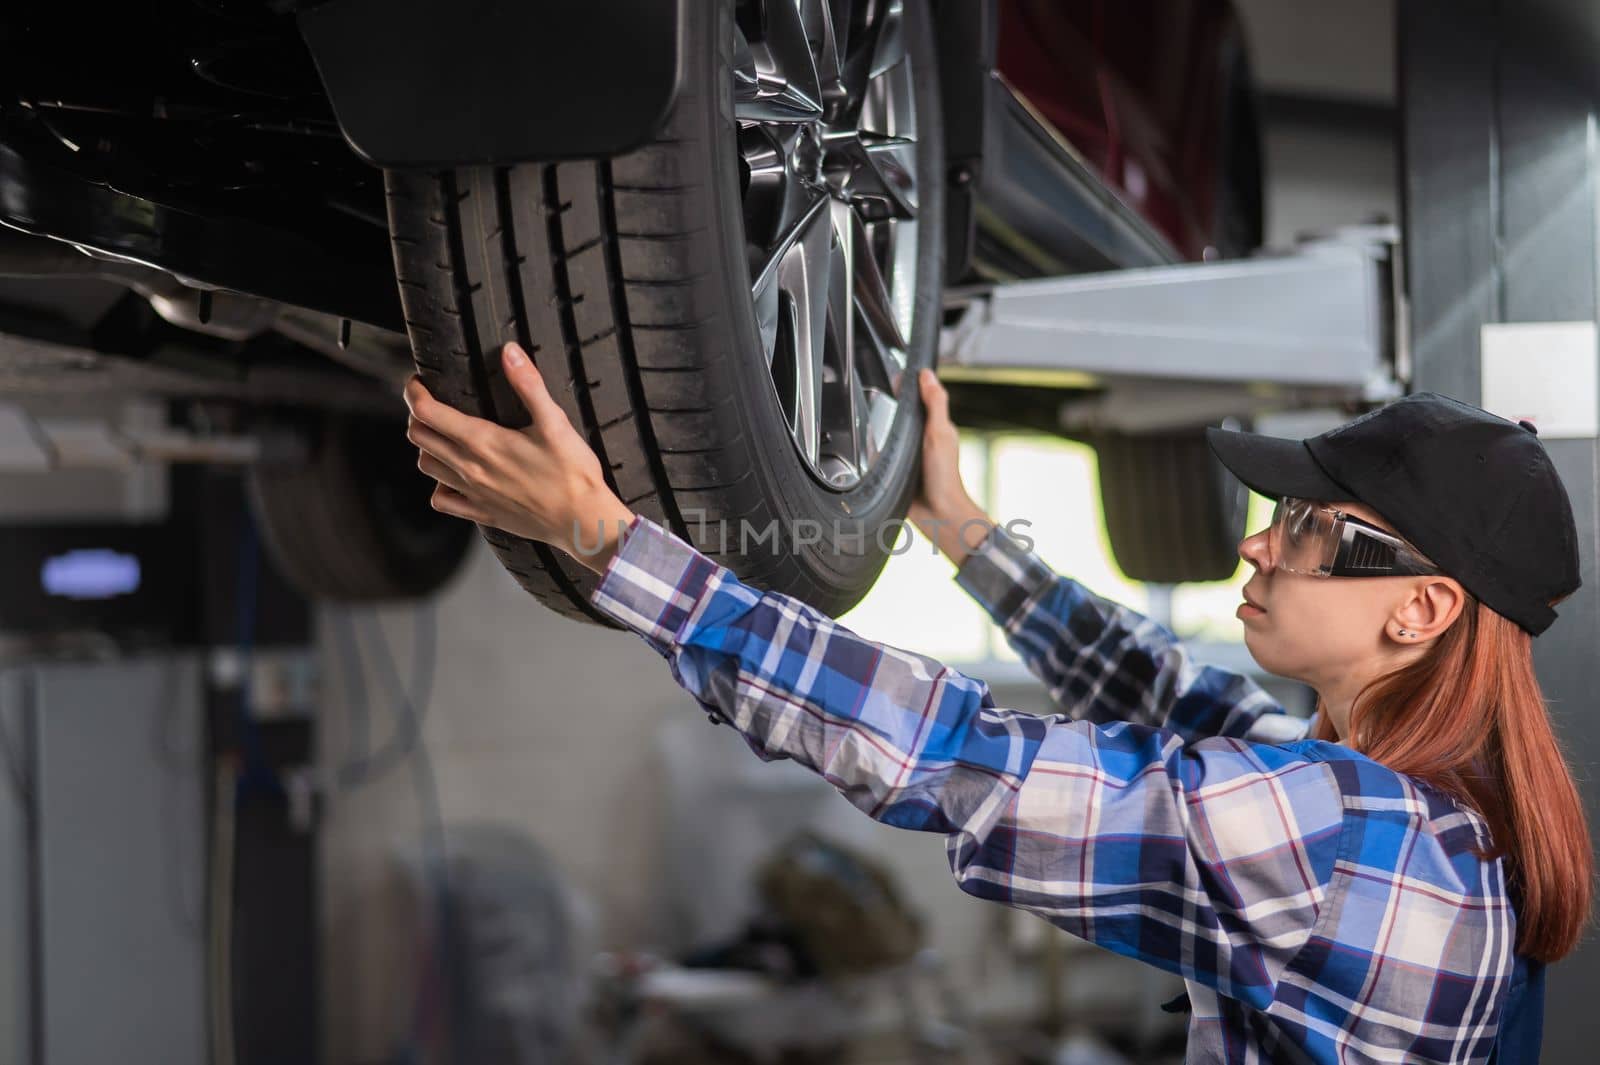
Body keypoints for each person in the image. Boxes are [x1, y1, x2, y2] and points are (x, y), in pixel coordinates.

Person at [402, 341, 1593, 1064]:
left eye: (1306, 528)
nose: (1253, 543)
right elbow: (1164, 690)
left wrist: (608, 543)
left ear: (1420, 610)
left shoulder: (1339, 833)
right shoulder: (1422, 815)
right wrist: (963, 533)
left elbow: (954, 755)